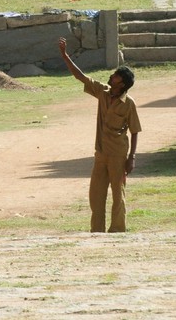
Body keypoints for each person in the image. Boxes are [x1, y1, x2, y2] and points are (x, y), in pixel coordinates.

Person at [58, 37, 141, 233]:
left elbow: (135, 131)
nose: (111, 78)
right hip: (100, 154)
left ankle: (118, 229)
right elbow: (81, 76)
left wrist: (131, 158)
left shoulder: (129, 104)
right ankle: (97, 231)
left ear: (122, 85)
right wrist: (64, 55)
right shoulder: (102, 93)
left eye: (115, 77)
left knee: (117, 195)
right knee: (96, 195)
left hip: (118, 155)